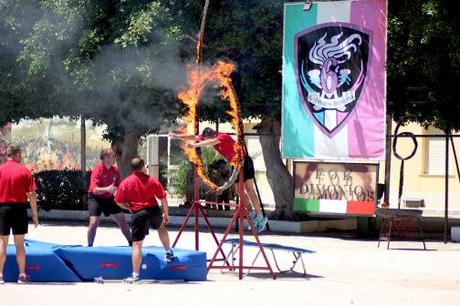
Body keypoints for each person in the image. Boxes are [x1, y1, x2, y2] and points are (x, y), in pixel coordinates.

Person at [170, 127, 268, 232]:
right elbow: (196, 137)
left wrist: (194, 145)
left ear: (212, 135)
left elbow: (210, 142)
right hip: (235, 164)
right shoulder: (210, 136)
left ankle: (260, 216)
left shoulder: (222, 137)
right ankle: (253, 214)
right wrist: (177, 136)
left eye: (206, 138)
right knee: (239, 191)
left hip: (244, 161)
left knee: (249, 189)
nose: (205, 140)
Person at [115, 157, 174, 284]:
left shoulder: (126, 182)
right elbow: (163, 198)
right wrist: (166, 214)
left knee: (137, 245)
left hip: (139, 213)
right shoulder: (152, 180)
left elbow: (118, 201)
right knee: (161, 227)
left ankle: (135, 276)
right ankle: (168, 252)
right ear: (143, 167)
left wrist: (129, 207)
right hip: (153, 210)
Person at [0, 145, 39, 284]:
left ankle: (0, 275)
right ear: (16, 154)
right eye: (20, 154)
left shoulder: (0, 169)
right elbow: (31, 195)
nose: (21, 157)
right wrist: (35, 214)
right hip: (19, 208)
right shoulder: (24, 171)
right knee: (19, 243)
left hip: (2, 208)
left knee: (2, 243)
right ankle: (22, 275)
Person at [87, 148, 131, 247]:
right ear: (106, 157)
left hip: (109, 198)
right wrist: (107, 189)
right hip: (95, 198)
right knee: (93, 222)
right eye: (112, 156)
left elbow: (119, 187)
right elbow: (94, 190)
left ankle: (131, 243)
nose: (115, 158)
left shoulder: (115, 170)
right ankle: (89, 247)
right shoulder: (97, 170)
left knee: (122, 220)